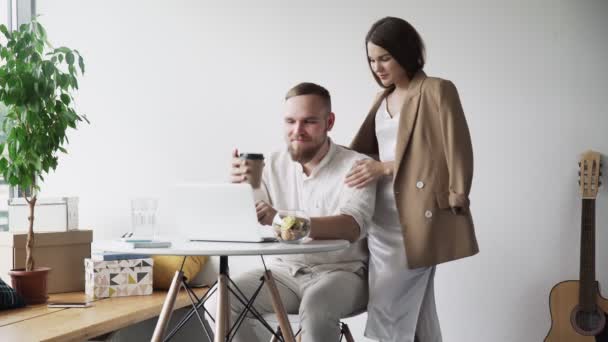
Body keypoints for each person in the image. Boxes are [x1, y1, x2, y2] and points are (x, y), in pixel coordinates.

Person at [204, 82, 376, 342]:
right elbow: (251, 219)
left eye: (309, 121)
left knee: (317, 306)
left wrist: (282, 218)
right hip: (285, 272)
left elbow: (351, 226)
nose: (298, 130)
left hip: (343, 273)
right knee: (219, 300)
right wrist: (240, 190)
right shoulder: (271, 164)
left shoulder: (357, 165)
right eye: (290, 121)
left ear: (329, 122)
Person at [346, 17, 479, 342]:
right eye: (371, 59)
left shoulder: (436, 90)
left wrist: (458, 191)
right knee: (417, 313)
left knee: (389, 308)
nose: (377, 67)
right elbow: (364, 154)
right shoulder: (382, 100)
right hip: (381, 219)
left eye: (385, 57)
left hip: (418, 216)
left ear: (405, 52)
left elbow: (453, 150)